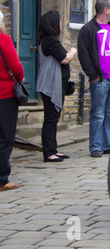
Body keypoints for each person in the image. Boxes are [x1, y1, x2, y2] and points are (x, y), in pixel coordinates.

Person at [78, 0, 110, 158]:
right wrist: (93, 76)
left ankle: (109, 145)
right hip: (101, 80)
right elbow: (83, 54)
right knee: (98, 114)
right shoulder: (88, 29)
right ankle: (96, 147)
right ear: (105, 10)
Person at [36, 11, 77, 163]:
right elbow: (65, 59)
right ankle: (49, 153)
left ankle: (53, 150)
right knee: (50, 119)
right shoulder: (50, 41)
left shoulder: (48, 40)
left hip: (54, 82)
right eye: (59, 21)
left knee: (53, 118)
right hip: (50, 84)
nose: (61, 24)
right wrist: (73, 51)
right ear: (53, 24)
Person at [0, 9, 24, 191]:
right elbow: (16, 67)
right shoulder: (4, 40)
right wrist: (20, 79)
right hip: (4, 96)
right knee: (5, 137)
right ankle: (2, 179)